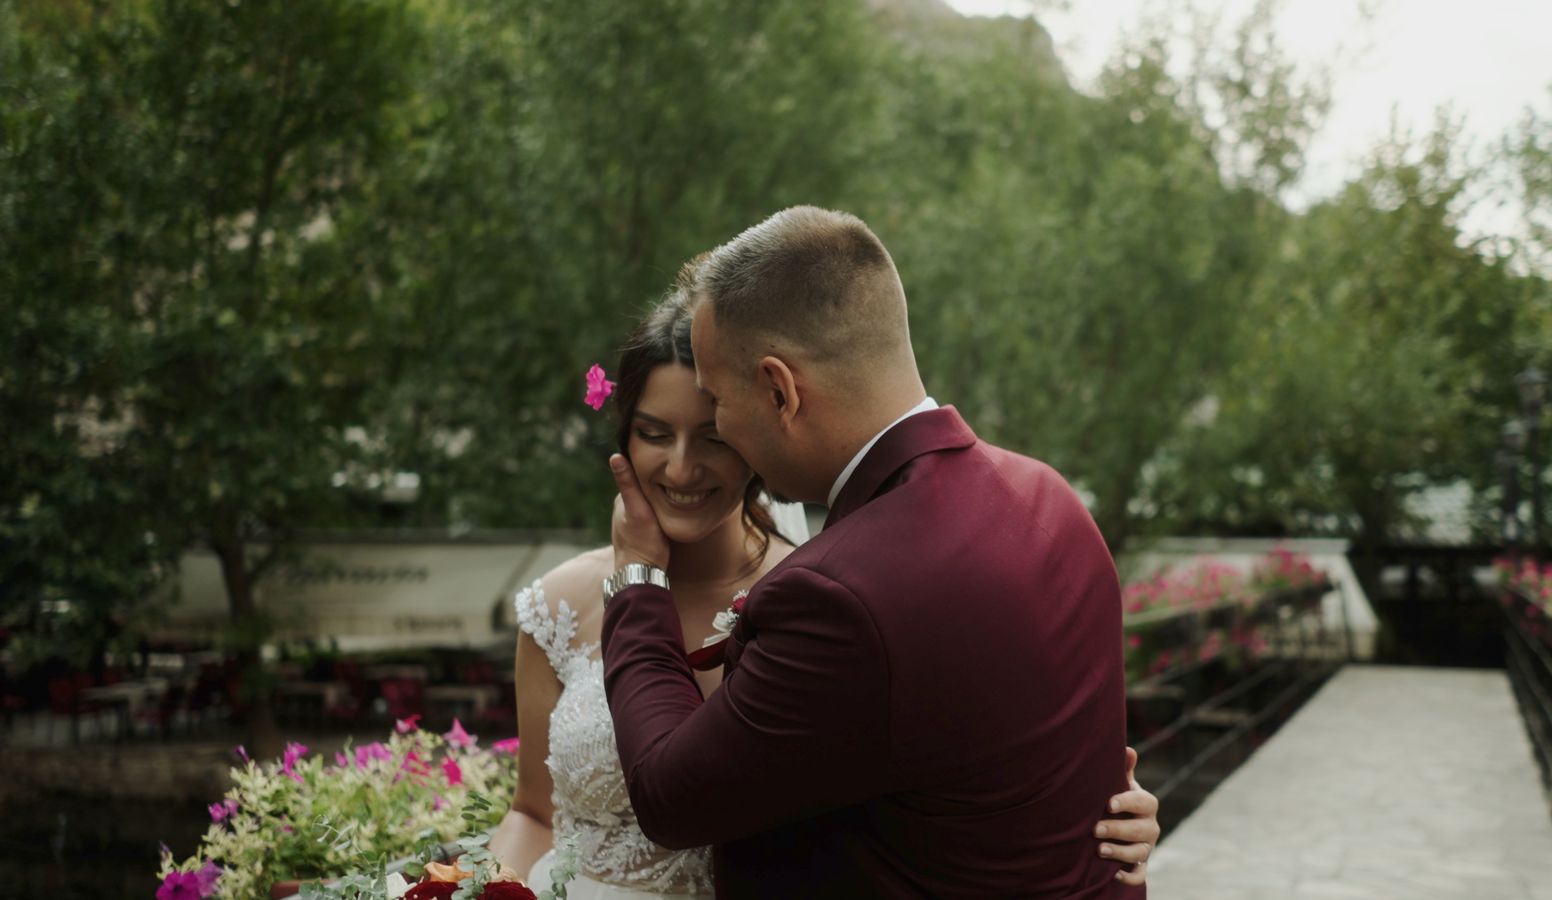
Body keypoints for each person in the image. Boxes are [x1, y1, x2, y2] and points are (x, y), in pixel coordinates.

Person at [491, 257, 1159, 898]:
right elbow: (534, 811)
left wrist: (637, 579)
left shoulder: (822, 595)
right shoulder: (1046, 497)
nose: (684, 465)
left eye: (717, 418)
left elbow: (672, 797)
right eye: (654, 432)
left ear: (779, 391)